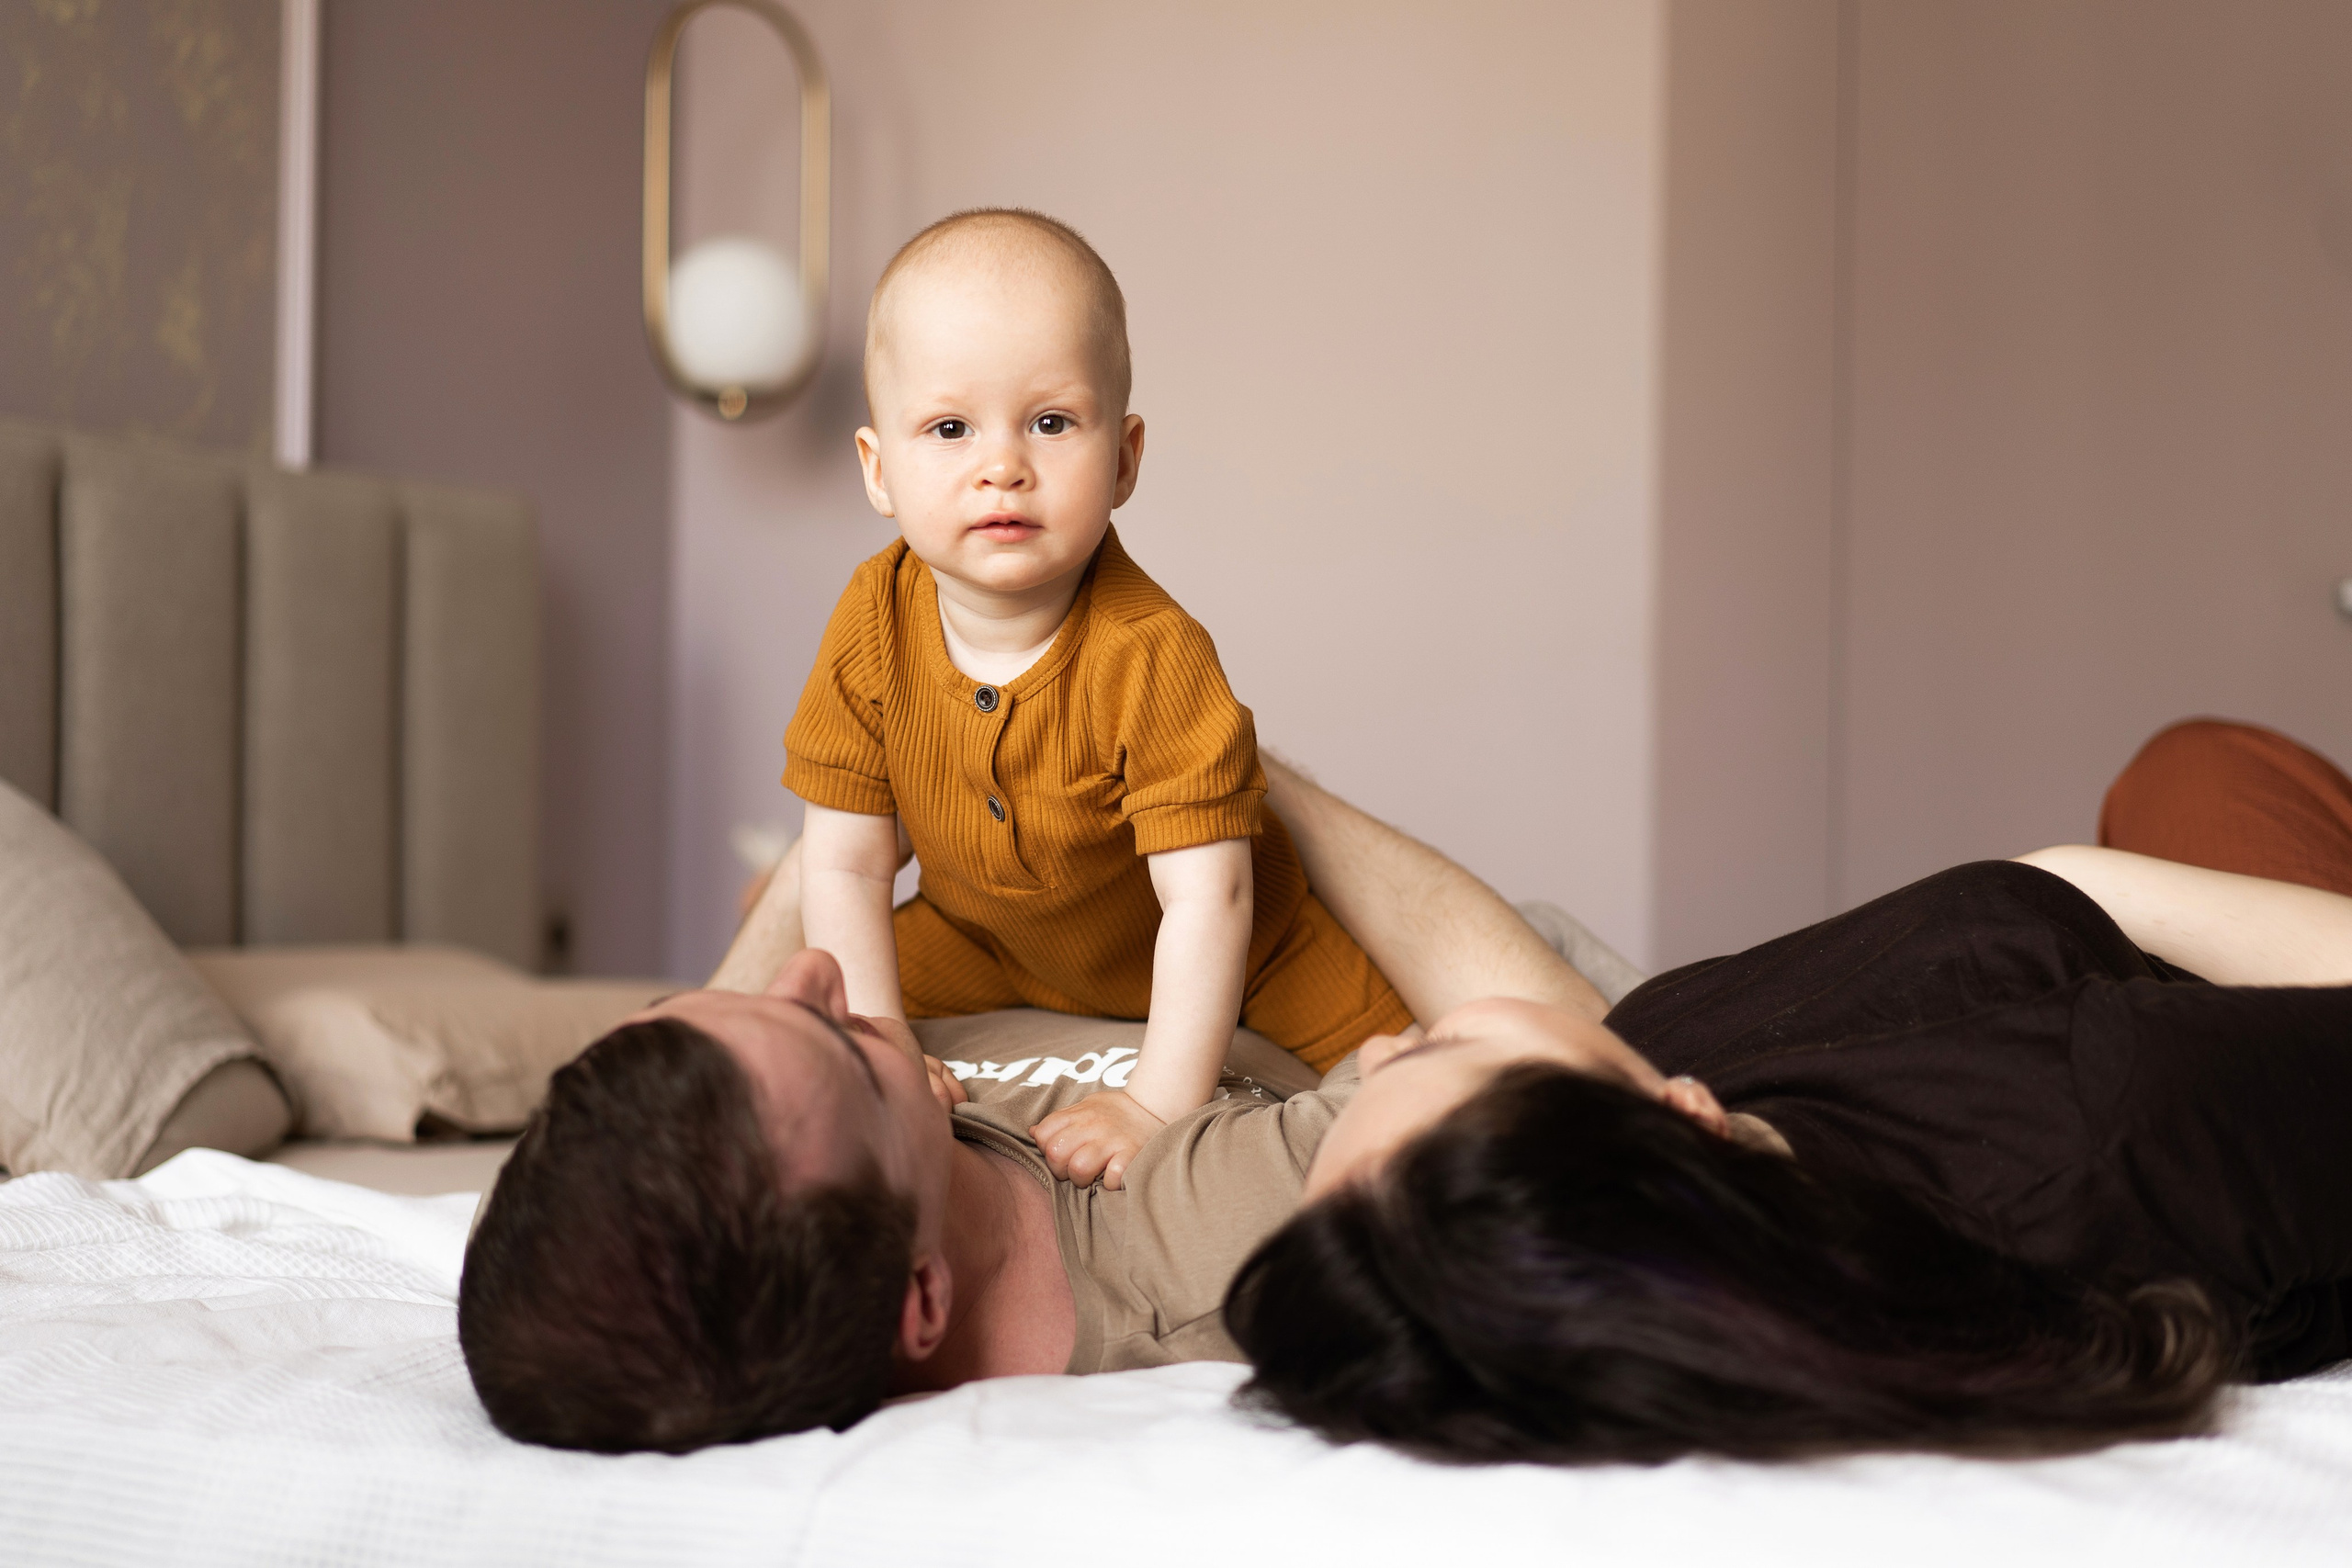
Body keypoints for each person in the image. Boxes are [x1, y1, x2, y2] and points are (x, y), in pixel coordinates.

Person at [1227, 718, 2352, 1465]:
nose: (1374, 1051)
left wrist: (1245, 764)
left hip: (2120, 937)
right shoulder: (2102, 1130)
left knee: (2188, 762)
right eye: (1426, 1058)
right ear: (1683, 1123)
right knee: (2207, 765)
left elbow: (1549, 1023)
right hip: (2241, 982)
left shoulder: (1662, 1144)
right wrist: (2082, 879)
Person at [458, 754, 1597, 1454]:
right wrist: (1224, 766)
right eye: (844, 1044)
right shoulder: (1217, 1242)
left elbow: (742, 1055)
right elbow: (1575, 1052)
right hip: (1508, 972)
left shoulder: (757, 1186)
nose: (818, 972)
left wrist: (863, 784)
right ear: (919, 1300)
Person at [766, 208, 1410, 1192]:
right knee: (805, 1027)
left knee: (1405, 1075)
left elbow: (1211, 897)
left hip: (1255, 945)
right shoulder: (869, 619)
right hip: (979, 936)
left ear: (1122, 460)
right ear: (877, 469)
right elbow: (848, 866)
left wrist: (1154, 1103)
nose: (1002, 465)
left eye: (1051, 422)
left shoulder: (1152, 652)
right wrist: (883, 1038)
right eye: (948, 428)